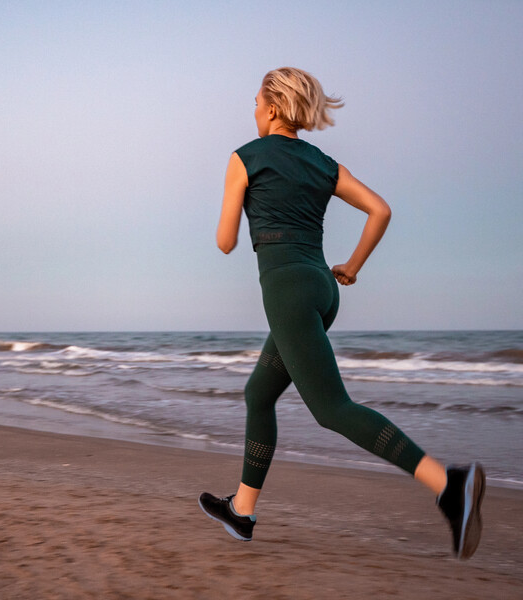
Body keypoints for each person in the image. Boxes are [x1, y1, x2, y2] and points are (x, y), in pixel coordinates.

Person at [197, 67, 485, 559]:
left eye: (255, 102)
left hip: (287, 290)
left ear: (270, 107)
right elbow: (380, 210)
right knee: (258, 394)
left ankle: (448, 483)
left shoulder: (245, 157)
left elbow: (225, 243)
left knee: (333, 410)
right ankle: (241, 511)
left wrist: (237, 200)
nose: (252, 111)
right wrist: (351, 266)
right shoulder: (323, 163)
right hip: (324, 290)